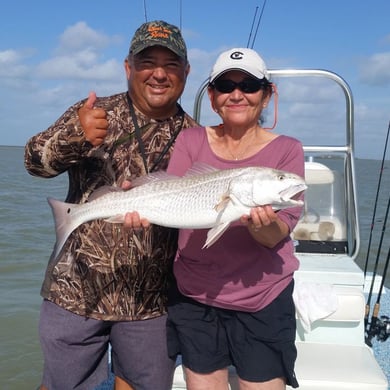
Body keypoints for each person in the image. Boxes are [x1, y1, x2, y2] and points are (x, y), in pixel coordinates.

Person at [24, 20, 198, 390]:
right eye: (147, 62)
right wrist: (75, 136)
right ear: (127, 68)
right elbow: (34, 163)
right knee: (59, 385)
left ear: (186, 72)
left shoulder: (196, 137)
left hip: (150, 299)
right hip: (77, 286)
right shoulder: (94, 113)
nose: (158, 74)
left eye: (171, 65)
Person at [127, 48, 304, 389]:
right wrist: (139, 204)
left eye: (250, 85)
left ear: (266, 96)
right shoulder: (191, 139)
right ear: (212, 97)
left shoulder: (288, 150)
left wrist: (263, 224)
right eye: (225, 85)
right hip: (195, 296)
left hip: (262, 298)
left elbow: (274, 236)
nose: (237, 94)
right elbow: (175, 199)